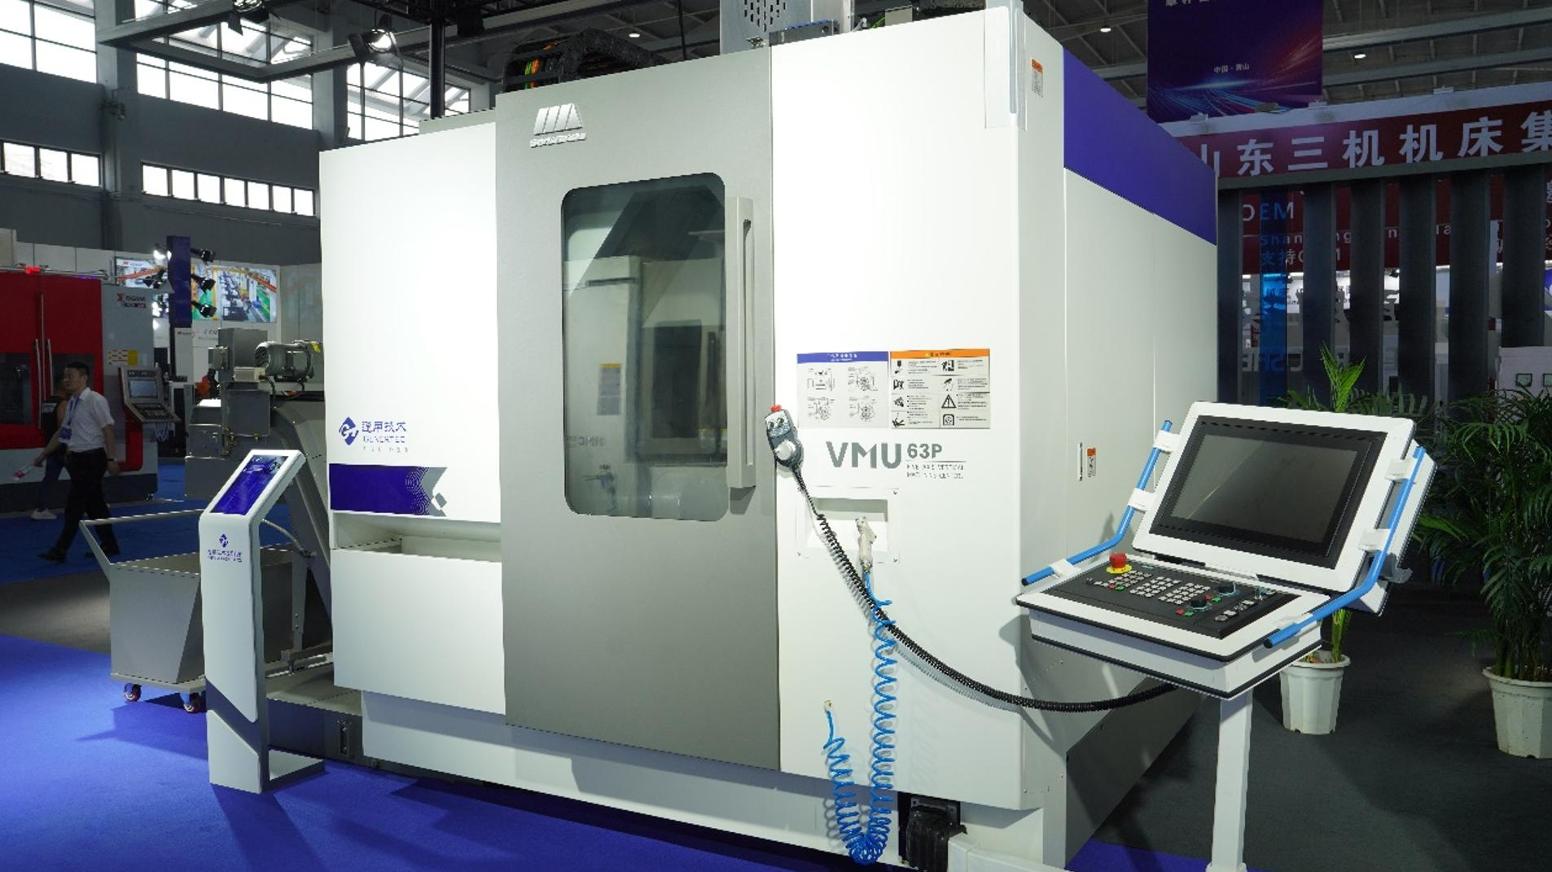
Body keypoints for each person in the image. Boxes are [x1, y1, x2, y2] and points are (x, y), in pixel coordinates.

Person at [33, 362, 121, 562]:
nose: (66, 380)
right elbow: (62, 433)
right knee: (95, 505)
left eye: (70, 376)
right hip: (78, 460)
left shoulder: (95, 400)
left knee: (74, 505)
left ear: (83, 378)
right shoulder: (72, 402)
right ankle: (110, 545)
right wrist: (44, 454)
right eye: (65, 376)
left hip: (92, 459)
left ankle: (60, 550)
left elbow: (108, 430)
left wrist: (111, 458)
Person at [30, 378, 67, 520]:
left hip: (50, 447)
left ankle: (40, 509)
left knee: (49, 479)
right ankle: (89, 505)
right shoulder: (63, 403)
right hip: (62, 447)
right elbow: (63, 427)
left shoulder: (46, 403)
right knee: (81, 477)